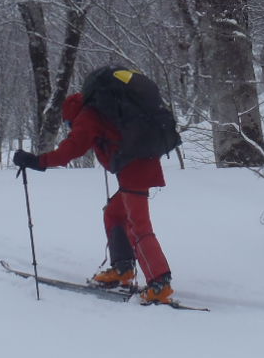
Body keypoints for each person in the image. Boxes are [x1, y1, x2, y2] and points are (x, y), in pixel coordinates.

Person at [13, 91, 175, 305]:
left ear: (71, 116)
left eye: (69, 124)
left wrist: (37, 161)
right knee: (114, 213)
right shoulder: (101, 111)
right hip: (139, 167)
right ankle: (123, 269)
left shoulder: (87, 116)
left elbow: (72, 149)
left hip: (135, 171)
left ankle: (159, 284)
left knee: (138, 225)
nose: (71, 127)